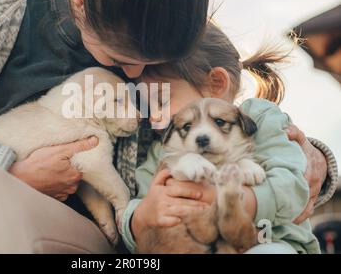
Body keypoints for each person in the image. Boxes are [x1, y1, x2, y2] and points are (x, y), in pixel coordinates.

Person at [0, 0, 333, 253]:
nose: (138, 80)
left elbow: (219, 98)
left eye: (151, 65)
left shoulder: (158, 16)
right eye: (121, 61)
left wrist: (313, 157)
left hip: (81, 233)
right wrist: (7, 167)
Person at [121, 23, 338, 254]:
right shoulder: (165, 147)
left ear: (216, 83)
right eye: (149, 105)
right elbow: (140, 199)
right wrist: (138, 218)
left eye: (163, 101)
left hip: (272, 242)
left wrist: (230, 199)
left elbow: (295, 187)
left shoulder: (262, 118)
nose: (155, 115)